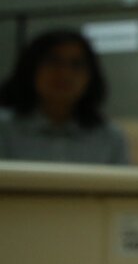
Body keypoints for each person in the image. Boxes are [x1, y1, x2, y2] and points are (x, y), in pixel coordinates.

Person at [0, 28, 130, 165]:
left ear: (91, 76)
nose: (64, 74)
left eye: (76, 64)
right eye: (53, 61)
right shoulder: (4, 130)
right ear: (30, 68)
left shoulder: (110, 138)